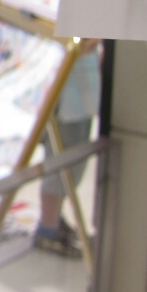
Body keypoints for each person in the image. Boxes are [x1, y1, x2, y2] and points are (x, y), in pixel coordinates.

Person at [33, 41, 101, 258]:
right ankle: (47, 228)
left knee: (71, 166)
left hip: (79, 93)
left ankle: (54, 218)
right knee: (60, 166)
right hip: (67, 98)